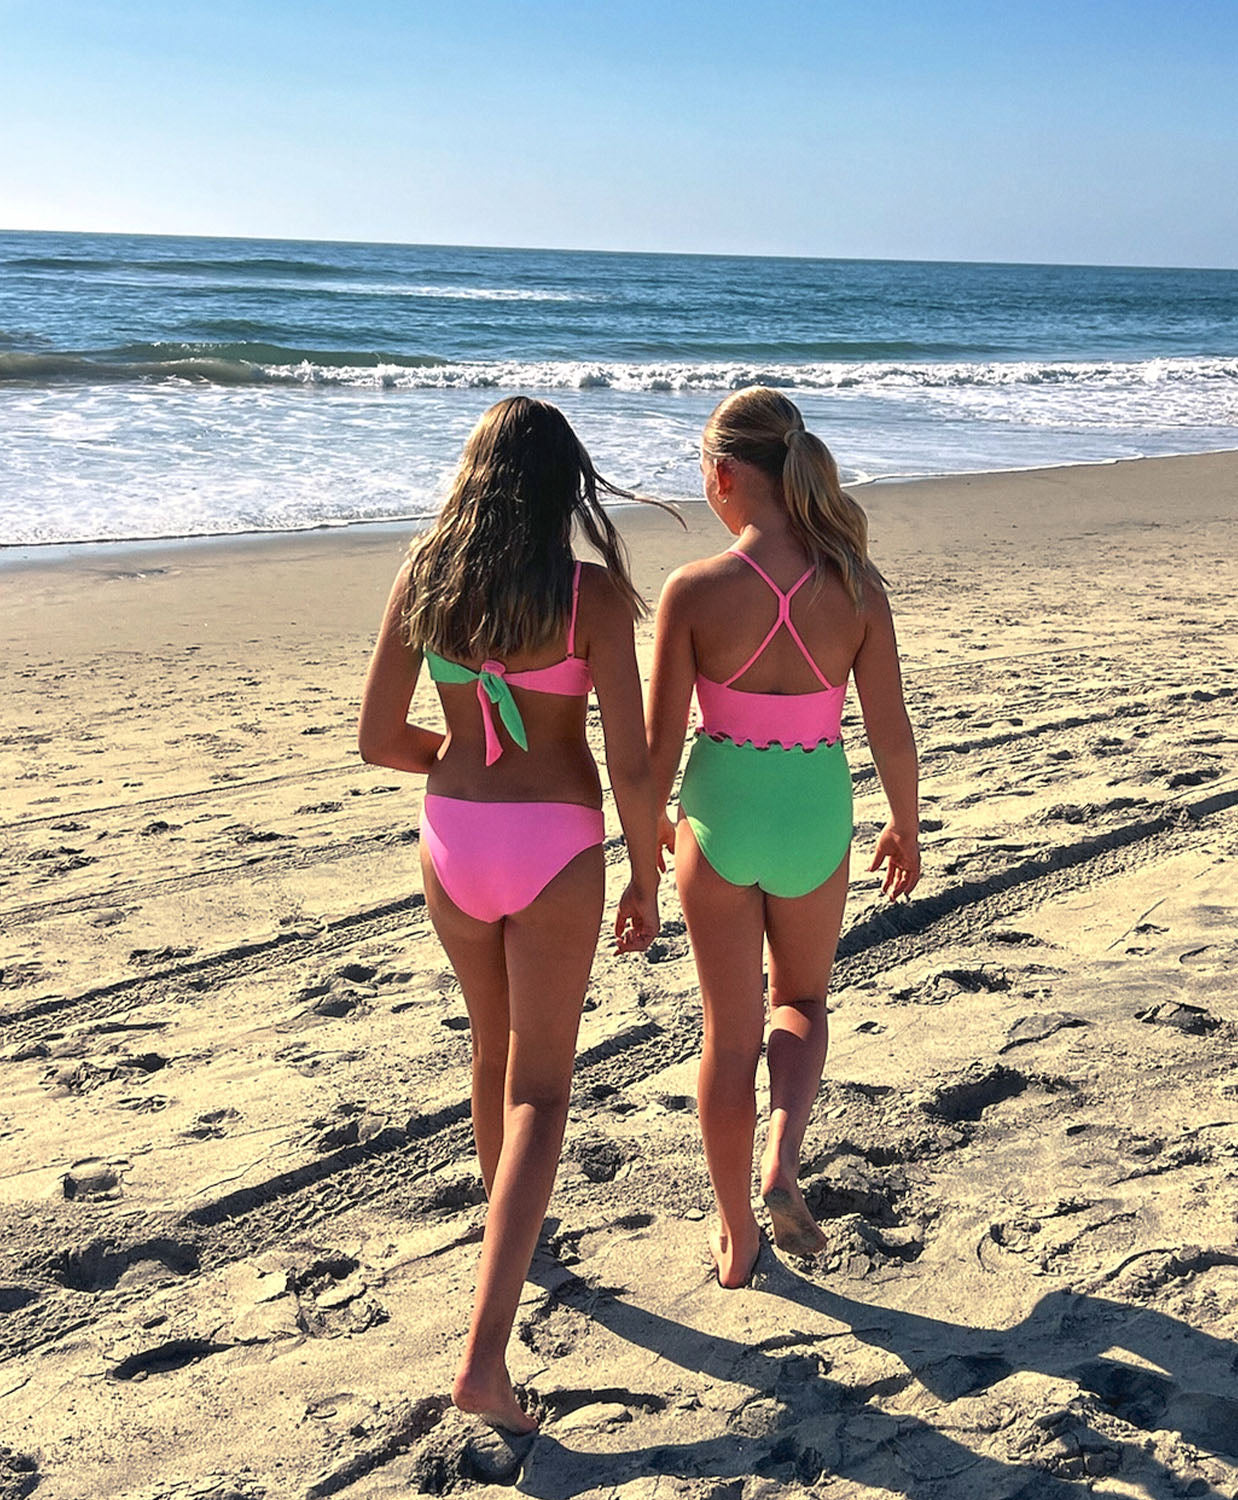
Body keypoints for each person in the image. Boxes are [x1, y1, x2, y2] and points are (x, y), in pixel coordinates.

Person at [358, 397, 662, 1430]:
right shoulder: (589, 598)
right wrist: (646, 869)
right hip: (553, 842)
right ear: (562, 489)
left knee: (490, 1051)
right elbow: (627, 755)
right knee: (542, 1084)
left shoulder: (428, 581)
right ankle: (483, 1358)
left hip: (451, 838)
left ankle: (509, 1238)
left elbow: (374, 738)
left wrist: (447, 757)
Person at [646, 387, 920, 1289]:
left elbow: (654, 747)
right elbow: (890, 729)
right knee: (800, 1000)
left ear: (724, 476)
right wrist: (904, 822)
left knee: (726, 1035)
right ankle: (782, 1162)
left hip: (721, 810)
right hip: (812, 807)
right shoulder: (857, 586)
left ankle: (735, 1236)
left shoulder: (693, 590)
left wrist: (646, 830)